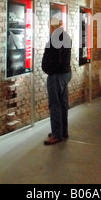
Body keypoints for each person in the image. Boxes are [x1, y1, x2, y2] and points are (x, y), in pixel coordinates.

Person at [41, 17, 72, 145]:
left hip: (56, 76)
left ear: (53, 27)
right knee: (63, 104)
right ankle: (62, 130)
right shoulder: (66, 36)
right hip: (65, 74)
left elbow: (54, 59)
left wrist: (48, 70)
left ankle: (56, 135)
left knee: (55, 105)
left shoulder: (55, 38)